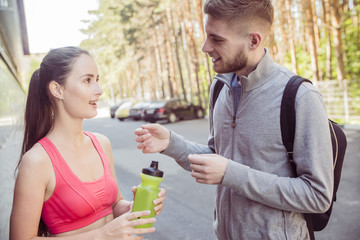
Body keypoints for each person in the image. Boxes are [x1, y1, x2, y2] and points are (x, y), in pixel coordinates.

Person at [135, 0, 333, 239]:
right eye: (207, 36)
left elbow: (318, 196)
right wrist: (171, 144)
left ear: (253, 41)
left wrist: (232, 174)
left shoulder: (300, 97)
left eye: (217, 39)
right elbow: (217, 159)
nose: (205, 47)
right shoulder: (220, 88)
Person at [10, 46, 165, 240]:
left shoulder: (101, 143)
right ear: (58, 89)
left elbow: (114, 206)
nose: (99, 90)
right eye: (87, 80)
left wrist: (135, 207)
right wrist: (102, 235)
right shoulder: (37, 161)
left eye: (97, 80)